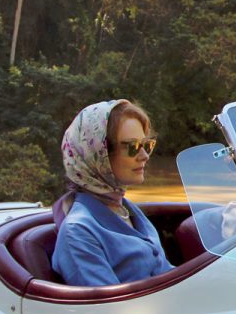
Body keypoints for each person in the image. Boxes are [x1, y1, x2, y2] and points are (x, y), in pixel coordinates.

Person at [51, 100, 174, 286]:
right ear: (98, 154)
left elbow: (168, 274)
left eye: (147, 145)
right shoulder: (78, 231)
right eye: (133, 147)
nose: (145, 156)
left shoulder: (127, 209)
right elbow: (108, 303)